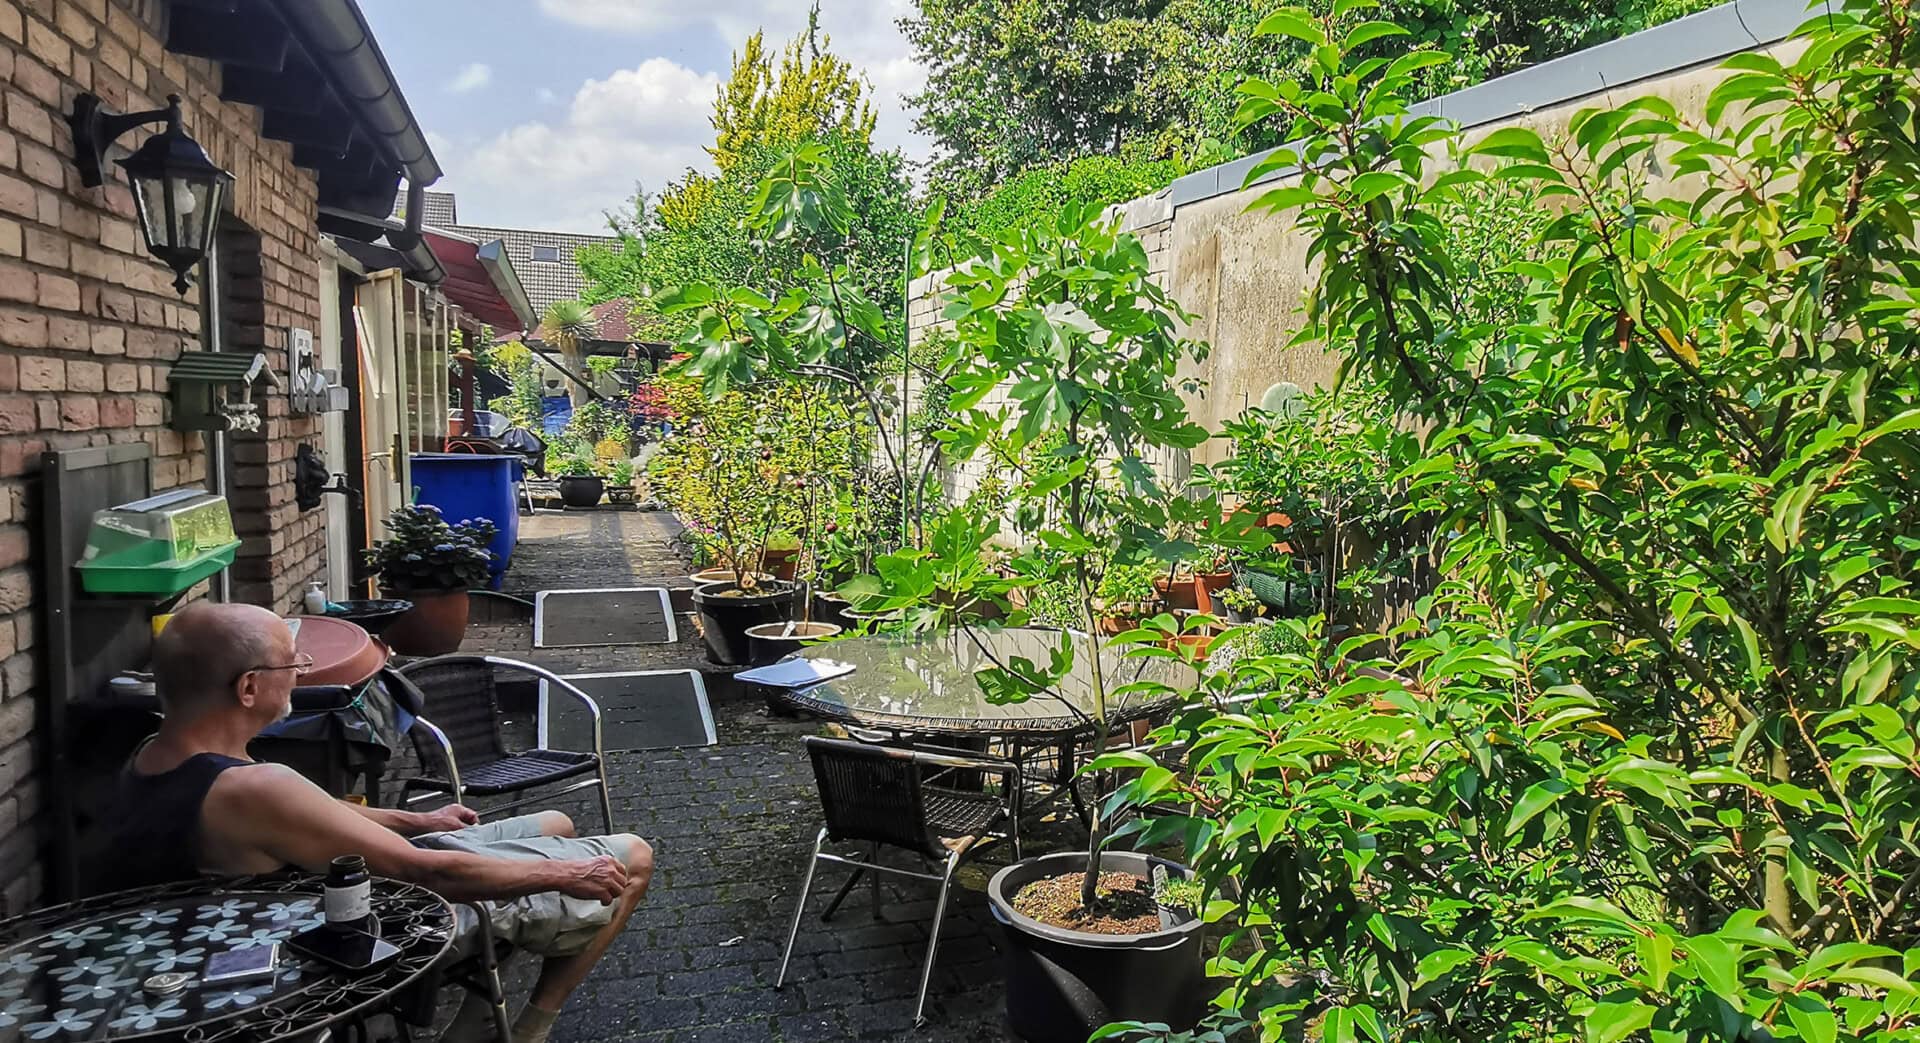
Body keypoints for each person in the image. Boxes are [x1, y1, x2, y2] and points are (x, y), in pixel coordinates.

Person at [113, 602, 652, 1043]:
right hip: (349, 929)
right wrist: (566, 878)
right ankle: (533, 1026)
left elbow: (314, 816)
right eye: (291, 665)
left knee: (556, 822)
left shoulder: (155, 753)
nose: (300, 673)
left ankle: (480, 1016)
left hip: (282, 904)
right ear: (249, 688)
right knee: (631, 857)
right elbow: (428, 875)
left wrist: (415, 818)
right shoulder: (254, 787)